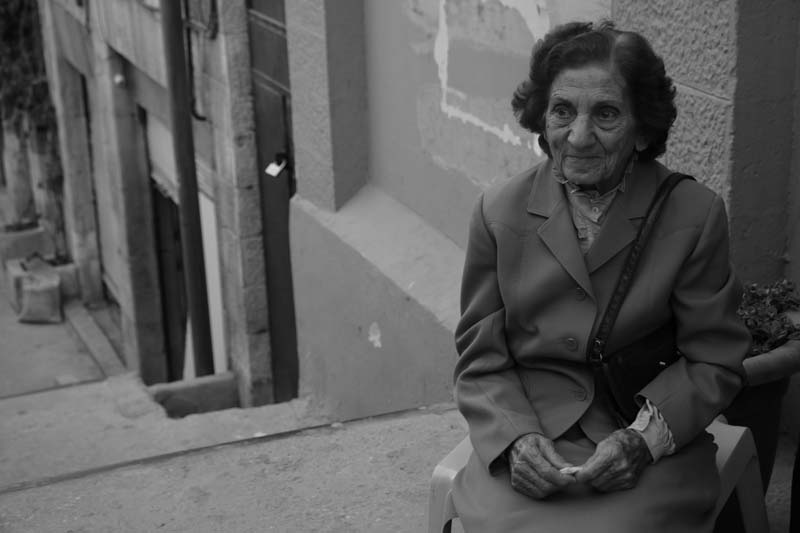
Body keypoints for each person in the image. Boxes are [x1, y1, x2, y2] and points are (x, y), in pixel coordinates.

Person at [452, 21, 751, 532]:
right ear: (541, 117)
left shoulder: (694, 215)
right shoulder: (499, 212)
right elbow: (480, 360)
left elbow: (714, 360)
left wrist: (642, 440)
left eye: (607, 114)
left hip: (642, 433)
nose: (580, 136)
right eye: (563, 111)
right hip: (532, 430)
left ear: (643, 129)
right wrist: (516, 440)